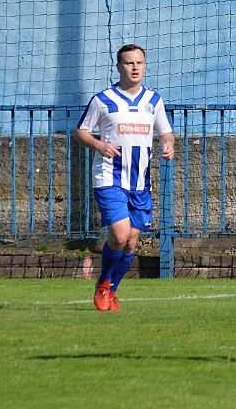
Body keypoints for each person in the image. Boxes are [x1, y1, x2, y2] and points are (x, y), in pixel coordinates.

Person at [74, 44, 175, 312]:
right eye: (129, 63)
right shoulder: (104, 99)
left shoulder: (153, 101)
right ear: (119, 67)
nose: (134, 68)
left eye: (139, 63)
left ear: (144, 66)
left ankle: (113, 290)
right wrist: (99, 145)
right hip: (109, 178)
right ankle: (103, 284)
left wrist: (168, 144)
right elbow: (81, 132)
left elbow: (165, 131)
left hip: (140, 182)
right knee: (119, 236)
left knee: (131, 241)